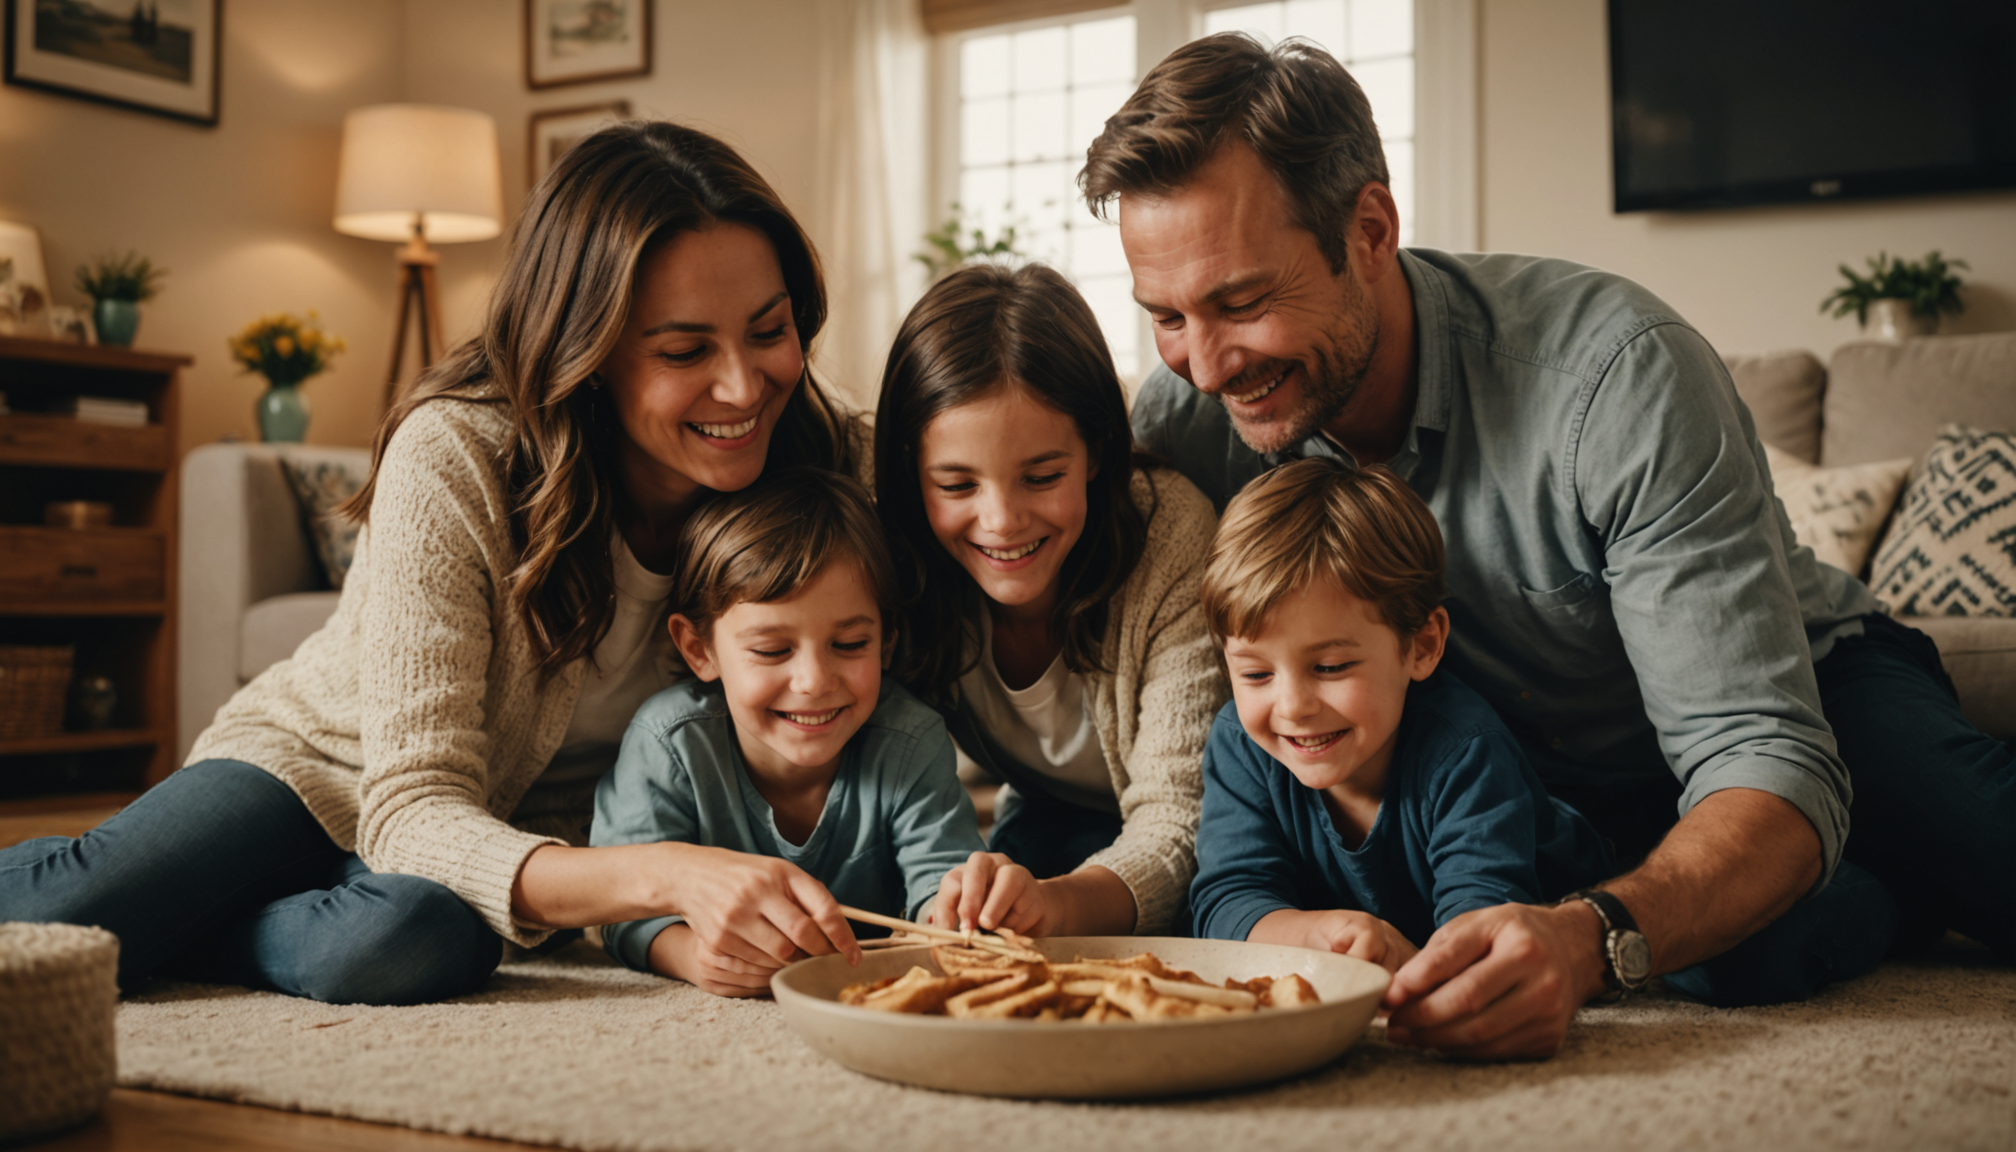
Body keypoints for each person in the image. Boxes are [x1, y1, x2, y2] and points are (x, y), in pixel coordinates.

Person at [1088, 34, 2010, 1055]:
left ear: (1371, 228)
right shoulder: (1189, 414)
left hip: (1810, 689)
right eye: (1165, 316)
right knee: (1742, 953)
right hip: (1530, 788)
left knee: (1977, 856)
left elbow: (1760, 750)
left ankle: (1860, 859)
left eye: (1242, 302)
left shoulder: (1614, 375)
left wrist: (1588, 938)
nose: (1207, 363)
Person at [0, 122, 865, 1005]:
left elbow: (971, 522)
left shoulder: (821, 458)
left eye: (770, 330)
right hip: (320, 767)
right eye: (685, 351)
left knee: (410, 943)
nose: (743, 386)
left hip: (508, 847)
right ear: (588, 350)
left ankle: (208, 928)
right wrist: (670, 875)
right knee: (70, 911)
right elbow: (412, 806)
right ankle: (173, 902)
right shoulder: (458, 451)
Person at [872, 262, 1227, 938]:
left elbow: (1181, 822)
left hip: (1187, 830)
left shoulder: (1174, 538)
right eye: (955, 485)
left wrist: (1056, 907)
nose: (1001, 521)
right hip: (1044, 813)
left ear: (1094, 452)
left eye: (1041, 476)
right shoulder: (891, 554)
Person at [1190, 459, 1612, 972]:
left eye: (1331, 666)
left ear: (1423, 645)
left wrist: (1404, 958)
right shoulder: (1241, 743)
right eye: (1256, 675)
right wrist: (1316, 934)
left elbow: (1483, 933)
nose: (1293, 706)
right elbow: (1226, 903)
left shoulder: (1465, 751)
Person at [591, 469, 985, 997]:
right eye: (772, 651)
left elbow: (941, 885)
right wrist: (691, 957)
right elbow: (620, 913)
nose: (814, 682)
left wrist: (958, 915)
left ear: (886, 640)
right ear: (699, 649)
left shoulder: (911, 739)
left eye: (849, 644)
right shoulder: (669, 743)